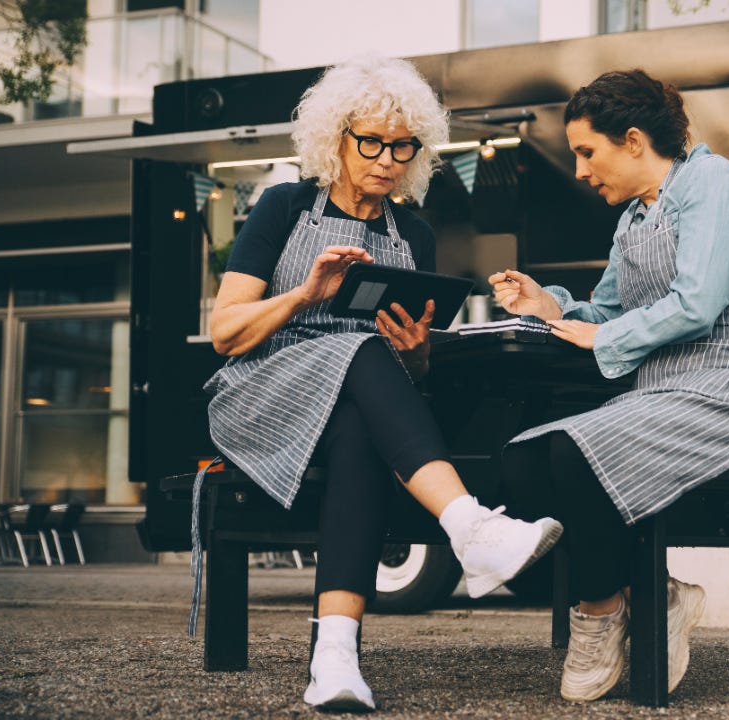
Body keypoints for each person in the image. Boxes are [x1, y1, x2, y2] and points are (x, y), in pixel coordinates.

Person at [202, 55, 562, 713]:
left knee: (361, 426)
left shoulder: (413, 233)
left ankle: (334, 657)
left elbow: (405, 375)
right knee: (360, 349)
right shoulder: (282, 207)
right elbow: (225, 333)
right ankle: (470, 527)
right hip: (261, 397)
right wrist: (307, 295)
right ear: (334, 138)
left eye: (403, 146)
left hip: (346, 407)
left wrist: (418, 353)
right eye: (371, 140)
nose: (387, 159)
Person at [489, 69, 729, 702]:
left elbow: (700, 303)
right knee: (522, 457)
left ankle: (602, 617)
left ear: (632, 140)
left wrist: (600, 339)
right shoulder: (631, 219)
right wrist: (547, 305)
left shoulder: (712, 181)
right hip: (661, 390)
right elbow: (605, 315)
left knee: (572, 453)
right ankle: (650, 598)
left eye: (586, 152)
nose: (579, 170)